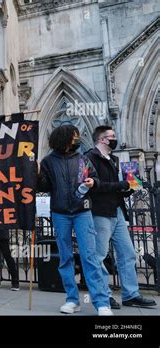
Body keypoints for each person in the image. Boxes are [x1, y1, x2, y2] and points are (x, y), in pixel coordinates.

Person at [37, 125, 113, 316]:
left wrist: (92, 182)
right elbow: (43, 187)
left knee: (90, 256)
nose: (77, 139)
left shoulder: (83, 159)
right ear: (64, 138)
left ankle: (102, 302)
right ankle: (72, 300)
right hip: (60, 212)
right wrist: (37, 173)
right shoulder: (48, 161)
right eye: (74, 136)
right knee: (65, 257)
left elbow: (95, 180)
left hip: (82, 211)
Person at [85, 126, 157, 309]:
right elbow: (96, 186)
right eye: (112, 136)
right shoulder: (89, 157)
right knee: (99, 256)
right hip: (100, 212)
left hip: (117, 210)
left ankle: (131, 294)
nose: (115, 139)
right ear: (102, 139)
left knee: (128, 254)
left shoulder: (114, 159)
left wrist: (130, 187)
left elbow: (117, 189)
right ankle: (103, 296)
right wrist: (121, 184)